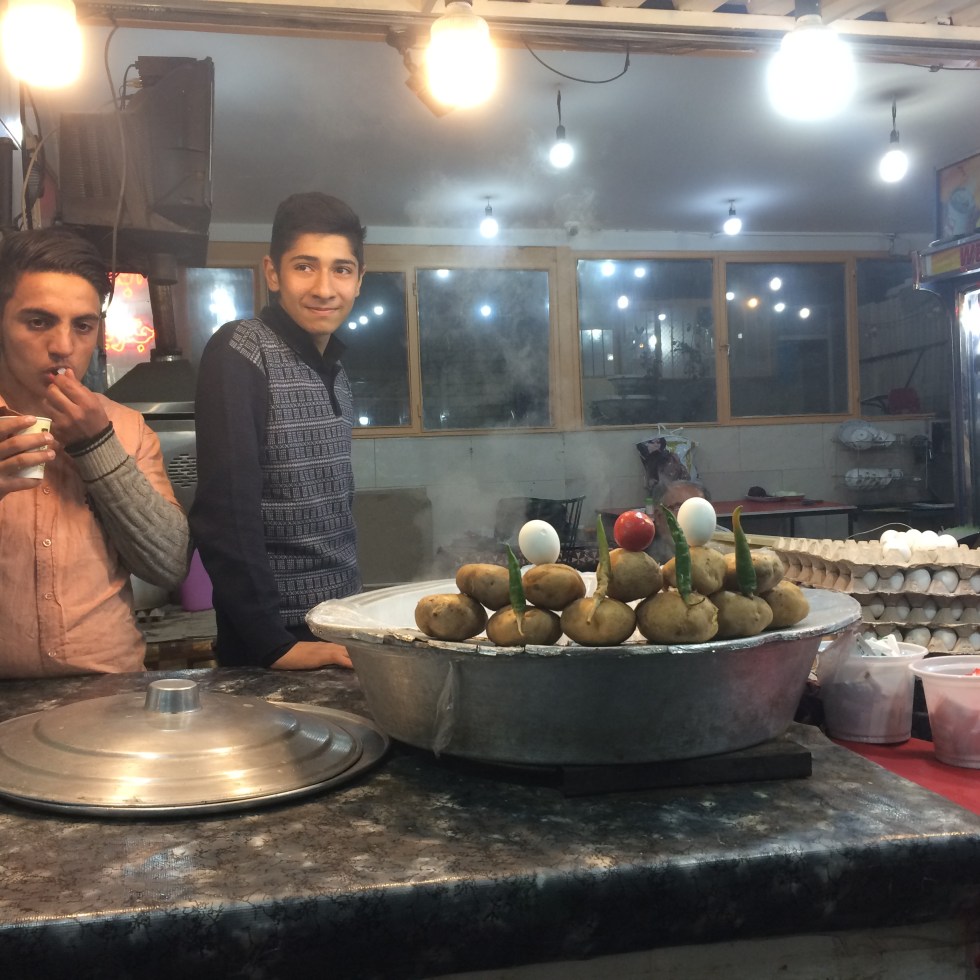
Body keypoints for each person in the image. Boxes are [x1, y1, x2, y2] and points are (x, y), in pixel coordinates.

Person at [0, 228, 190, 678]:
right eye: (38, 322)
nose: (63, 347)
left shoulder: (127, 427)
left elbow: (169, 565)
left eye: (83, 326)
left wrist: (97, 446)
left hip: (110, 690)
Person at [190, 192, 365, 669]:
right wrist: (272, 644)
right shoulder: (241, 349)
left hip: (342, 618)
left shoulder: (338, 372)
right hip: (277, 637)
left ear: (358, 281)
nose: (324, 288)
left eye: (341, 269)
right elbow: (224, 511)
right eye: (305, 266)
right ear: (273, 273)